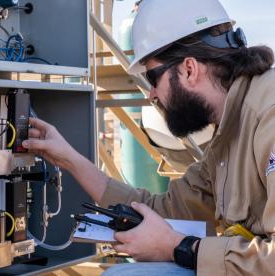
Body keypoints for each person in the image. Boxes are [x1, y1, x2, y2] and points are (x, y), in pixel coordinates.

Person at [22, 0, 275, 275]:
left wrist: (179, 247)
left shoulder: (268, 115)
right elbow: (164, 210)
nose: (151, 94)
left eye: (153, 79)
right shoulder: (227, 133)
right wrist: (69, 160)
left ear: (189, 69)